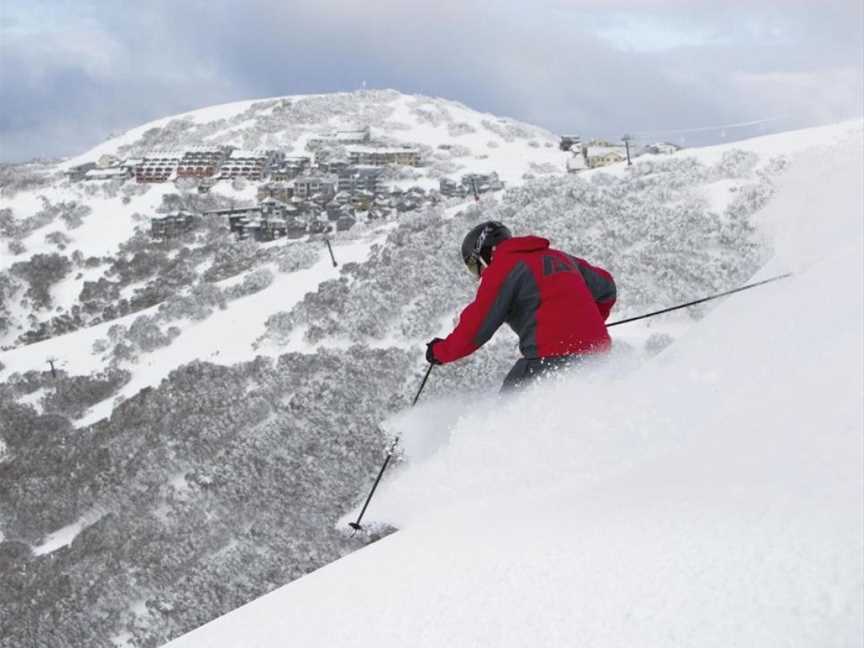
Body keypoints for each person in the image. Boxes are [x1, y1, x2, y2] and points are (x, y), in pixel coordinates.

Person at [425, 221, 616, 392]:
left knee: (506, 411)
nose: (478, 274)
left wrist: (439, 351)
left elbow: (476, 328)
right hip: (598, 353)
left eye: (474, 266)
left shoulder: (502, 268)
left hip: (550, 358)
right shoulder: (562, 257)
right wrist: (589, 324)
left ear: (484, 253)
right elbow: (607, 287)